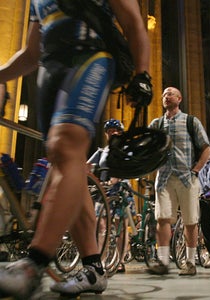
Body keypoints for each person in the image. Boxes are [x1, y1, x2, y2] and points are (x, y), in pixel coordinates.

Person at [0, 1, 151, 298]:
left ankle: (34, 266)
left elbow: (133, 21)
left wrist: (143, 75)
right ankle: (94, 267)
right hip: (50, 68)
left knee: (65, 145)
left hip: (90, 56)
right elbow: (32, 52)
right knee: (66, 163)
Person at [147, 87, 210, 276]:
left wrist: (196, 170)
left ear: (179, 98)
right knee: (162, 218)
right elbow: (148, 147)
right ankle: (163, 261)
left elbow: (206, 148)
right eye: (164, 94)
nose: (166, 96)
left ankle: (190, 262)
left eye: (170, 94)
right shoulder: (157, 124)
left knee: (191, 221)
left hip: (187, 178)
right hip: (164, 177)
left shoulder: (191, 121)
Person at [88, 118, 136, 273]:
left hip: (121, 190)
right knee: (100, 225)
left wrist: (117, 177)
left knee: (120, 227)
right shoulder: (102, 152)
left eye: (116, 131)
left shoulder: (126, 149)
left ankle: (120, 261)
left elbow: (130, 166)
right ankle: (100, 260)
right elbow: (87, 167)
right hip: (103, 190)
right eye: (109, 131)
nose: (113, 133)